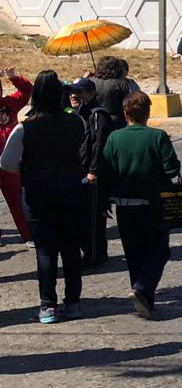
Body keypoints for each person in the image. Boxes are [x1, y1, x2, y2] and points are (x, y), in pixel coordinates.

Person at [0, 70, 88, 323]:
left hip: (38, 192)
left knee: (46, 251)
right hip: (72, 189)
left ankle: (48, 305)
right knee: (71, 248)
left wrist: (27, 170)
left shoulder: (24, 128)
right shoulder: (76, 121)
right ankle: (73, 303)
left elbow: (7, 163)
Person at [99, 93, 181, 320]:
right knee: (159, 251)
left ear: (125, 113)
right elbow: (172, 169)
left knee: (133, 254)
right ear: (148, 113)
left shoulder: (115, 138)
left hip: (125, 206)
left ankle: (143, 296)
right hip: (154, 205)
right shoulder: (158, 137)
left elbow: (105, 172)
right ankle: (143, 290)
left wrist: (103, 201)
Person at [68, 77, 116, 267]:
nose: (75, 95)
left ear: (91, 93)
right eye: (74, 92)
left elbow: (98, 145)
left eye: (80, 92)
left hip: (94, 175)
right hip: (81, 171)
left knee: (94, 218)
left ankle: (95, 254)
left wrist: (94, 171)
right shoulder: (81, 112)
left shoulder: (98, 115)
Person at [0, 66, 33, 245]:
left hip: (10, 161)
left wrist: (14, 78)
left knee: (17, 200)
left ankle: (28, 234)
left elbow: (28, 91)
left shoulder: (10, 103)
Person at [90, 56, 139, 129]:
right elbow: (126, 104)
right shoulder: (121, 84)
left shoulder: (92, 81)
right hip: (116, 122)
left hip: (96, 119)